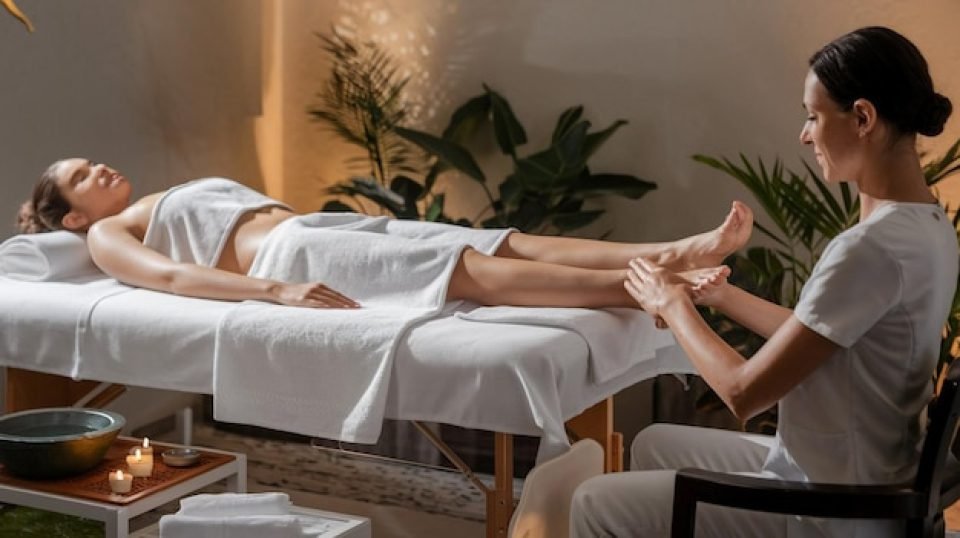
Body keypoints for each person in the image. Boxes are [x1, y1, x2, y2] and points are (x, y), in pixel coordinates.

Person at [569, 26, 957, 538]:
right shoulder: (927, 226)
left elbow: (742, 393)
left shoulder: (871, 248)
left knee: (593, 502)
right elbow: (822, 338)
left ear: (863, 118)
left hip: (834, 512)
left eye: (814, 116)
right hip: (867, 474)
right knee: (653, 443)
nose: (805, 135)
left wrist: (672, 302)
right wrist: (723, 296)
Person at [16, 160, 746, 311]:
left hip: (320, 228)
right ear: (73, 216)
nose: (98, 168)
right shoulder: (107, 232)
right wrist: (276, 290)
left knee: (500, 241)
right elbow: (171, 278)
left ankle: (669, 252)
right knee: (469, 270)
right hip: (296, 254)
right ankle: (646, 288)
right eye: (81, 174)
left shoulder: (152, 197)